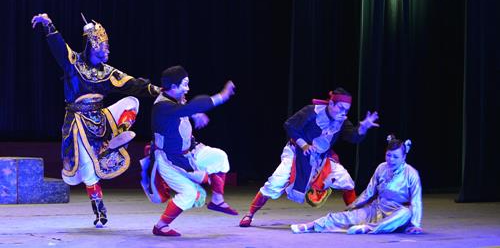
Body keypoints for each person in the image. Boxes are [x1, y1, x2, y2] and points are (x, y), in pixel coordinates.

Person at [31, 13, 160, 227]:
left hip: (101, 120)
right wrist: (48, 24)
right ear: (94, 44)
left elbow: (134, 84)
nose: (108, 49)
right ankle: (99, 209)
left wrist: (159, 90)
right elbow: (59, 47)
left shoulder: (109, 73)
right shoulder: (74, 64)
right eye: (105, 45)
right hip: (78, 122)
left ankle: (116, 139)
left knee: (131, 102)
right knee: (86, 170)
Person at [239, 88, 379, 227]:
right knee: (276, 181)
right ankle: (250, 214)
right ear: (331, 104)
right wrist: (304, 145)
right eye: (340, 108)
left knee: (346, 180)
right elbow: (290, 125)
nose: (343, 113)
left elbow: (353, 137)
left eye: (346, 110)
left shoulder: (342, 120)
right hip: (297, 153)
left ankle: (354, 217)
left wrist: (363, 127)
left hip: (322, 158)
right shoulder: (312, 111)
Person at [142, 65, 238, 237]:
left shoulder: (174, 97)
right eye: (184, 85)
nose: (187, 88)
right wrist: (222, 96)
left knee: (220, 157)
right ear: (172, 87)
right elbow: (187, 108)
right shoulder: (162, 107)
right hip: (170, 161)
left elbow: (186, 107)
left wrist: (195, 115)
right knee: (189, 194)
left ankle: (217, 200)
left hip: (191, 151)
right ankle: (161, 226)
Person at [290, 135, 423, 234]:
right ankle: (311, 225)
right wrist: (352, 206)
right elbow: (369, 192)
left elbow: (416, 201)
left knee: (406, 212)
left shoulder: (411, 174)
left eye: (395, 157)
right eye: (388, 155)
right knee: (348, 216)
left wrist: (415, 224)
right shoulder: (382, 168)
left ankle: (368, 228)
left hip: (397, 215)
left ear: (404, 157)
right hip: (377, 209)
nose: (391, 160)